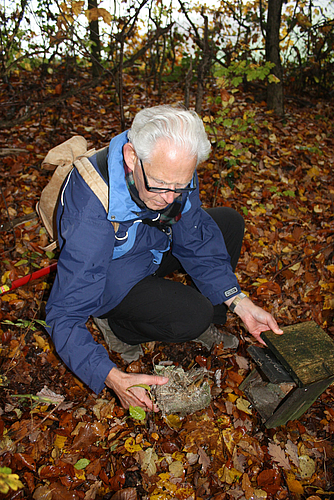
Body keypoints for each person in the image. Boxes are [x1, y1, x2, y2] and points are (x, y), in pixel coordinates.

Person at [46, 105, 282, 412]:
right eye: (160, 185)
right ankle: (120, 329)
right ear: (132, 157)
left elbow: (194, 236)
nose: (171, 198)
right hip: (110, 273)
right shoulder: (90, 209)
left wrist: (239, 302)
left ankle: (210, 318)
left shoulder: (171, 170)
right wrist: (110, 375)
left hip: (150, 244)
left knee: (228, 223)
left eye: (181, 186)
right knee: (194, 315)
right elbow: (63, 315)